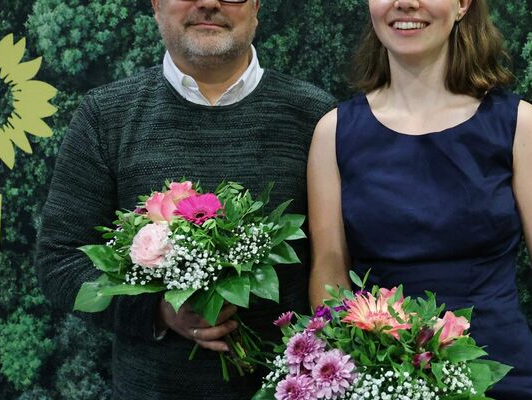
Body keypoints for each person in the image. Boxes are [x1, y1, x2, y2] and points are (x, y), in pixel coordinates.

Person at [34, 0, 334, 398]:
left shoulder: (318, 118)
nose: (209, 3)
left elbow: (342, 262)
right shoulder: (105, 116)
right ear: (157, 4)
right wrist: (158, 311)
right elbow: (59, 261)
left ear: (257, 6)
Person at [307, 0, 532, 399]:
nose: (406, 3)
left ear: (462, 4)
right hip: (382, 385)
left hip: (505, 383)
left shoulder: (519, 124)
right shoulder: (333, 134)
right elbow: (330, 274)